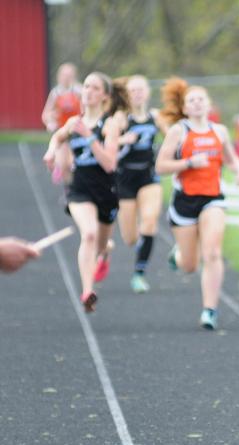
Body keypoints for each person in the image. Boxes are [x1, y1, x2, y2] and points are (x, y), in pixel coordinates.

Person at [156, 78, 239, 330]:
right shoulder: (179, 131)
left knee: (212, 253)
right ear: (185, 108)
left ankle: (210, 310)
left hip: (213, 199)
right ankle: (179, 254)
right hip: (185, 201)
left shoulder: (219, 131)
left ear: (209, 105)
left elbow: (231, 159)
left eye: (201, 100)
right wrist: (188, 163)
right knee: (189, 265)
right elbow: (161, 166)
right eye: (191, 100)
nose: (197, 104)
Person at [43, 72, 125, 312]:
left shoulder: (110, 125)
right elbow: (57, 139)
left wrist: (89, 137)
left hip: (106, 191)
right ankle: (88, 291)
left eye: (95, 88)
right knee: (88, 234)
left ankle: (105, 251)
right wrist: (50, 152)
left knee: (100, 243)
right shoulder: (73, 123)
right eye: (86, 86)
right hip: (80, 190)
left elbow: (110, 163)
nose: (88, 91)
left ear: (105, 96)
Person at [116, 75, 164, 293]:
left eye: (140, 89)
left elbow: (176, 134)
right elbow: (105, 142)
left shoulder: (155, 116)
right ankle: (138, 249)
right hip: (125, 178)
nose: (137, 93)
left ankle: (139, 273)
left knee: (150, 221)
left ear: (147, 92)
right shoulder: (121, 118)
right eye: (132, 90)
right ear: (127, 94)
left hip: (148, 176)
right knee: (129, 237)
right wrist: (122, 140)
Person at [41, 63, 83, 185]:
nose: (66, 78)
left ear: (74, 76)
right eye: (64, 75)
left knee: (72, 163)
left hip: (77, 131)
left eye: (69, 75)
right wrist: (50, 122)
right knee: (63, 164)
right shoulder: (56, 93)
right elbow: (46, 114)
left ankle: (76, 187)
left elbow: (86, 110)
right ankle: (68, 190)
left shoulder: (79, 91)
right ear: (59, 76)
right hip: (62, 131)